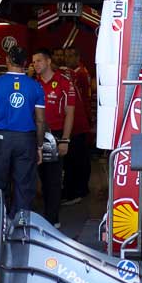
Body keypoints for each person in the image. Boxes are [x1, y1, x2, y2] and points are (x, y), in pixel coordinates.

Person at [0, 47, 45, 248]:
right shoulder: (35, 86)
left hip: (1, 138)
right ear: (25, 62)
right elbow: (41, 120)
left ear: (8, 59)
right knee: (24, 187)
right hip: (26, 140)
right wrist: (39, 146)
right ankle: (19, 233)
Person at [32, 49, 76, 228]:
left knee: (53, 179)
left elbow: (70, 113)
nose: (36, 65)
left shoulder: (64, 83)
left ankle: (52, 220)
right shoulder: (33, 84)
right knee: (35, 179)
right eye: (33, 62)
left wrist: (65, 140)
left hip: (55, 135)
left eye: (39, 61)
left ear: (49, 62)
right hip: (33, 135)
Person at [63, 47, 93, 204]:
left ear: (78, 56)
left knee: (78, 158)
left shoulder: (80, 73)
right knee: (79, 157)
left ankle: (78, 190)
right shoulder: (78, 72)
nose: (67, 58)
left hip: (80, 120)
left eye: (70, 55)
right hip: (79, 119)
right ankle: (79, 189)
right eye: (66, 56)